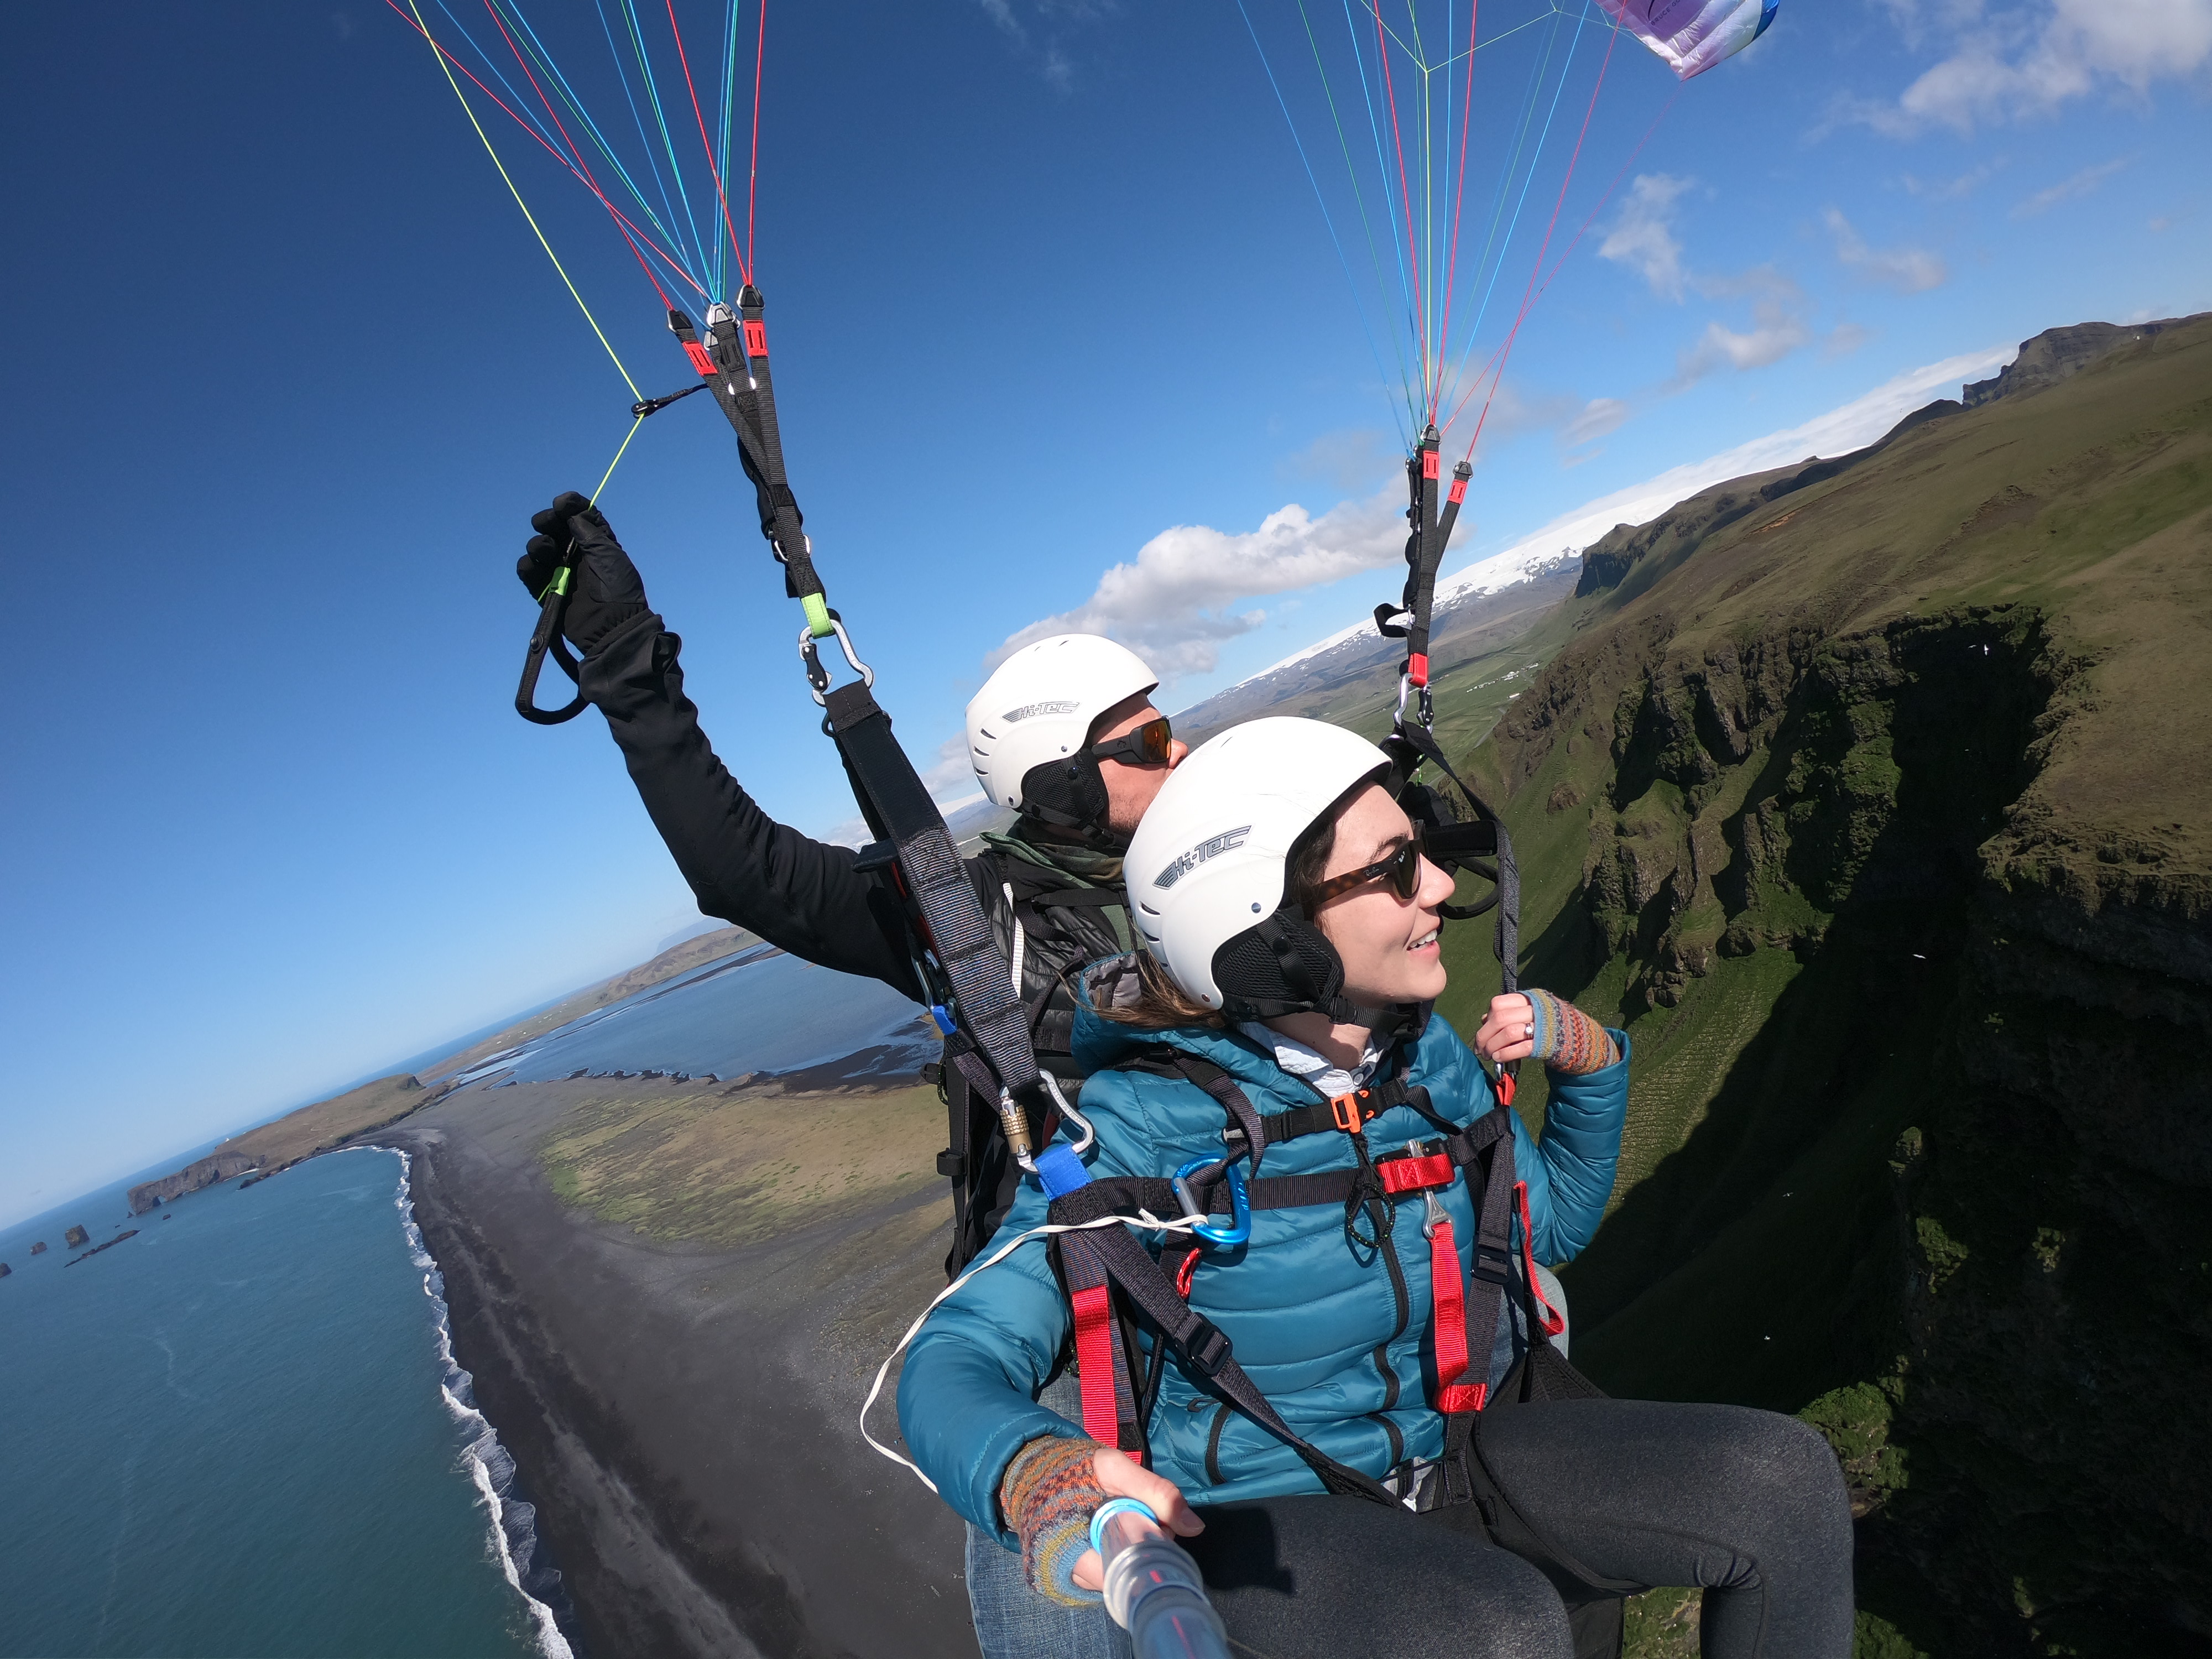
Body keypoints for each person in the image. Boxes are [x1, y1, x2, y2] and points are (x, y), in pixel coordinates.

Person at [896, 717, 1855, 1658]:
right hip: (1268, 1517)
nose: (1438, 885)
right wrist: (1033, 1473)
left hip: (1462, 1451)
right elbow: (957, 1356)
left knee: (1781, 1484)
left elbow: (1542, 1233)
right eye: (1395, 867)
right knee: (1494, 1632)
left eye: (1424, 853)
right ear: (1264, 923)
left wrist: (1597, 1070)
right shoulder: (1146, 1123)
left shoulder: (1424, 1059)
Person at [517, 493, 1188, 1270]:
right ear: (1062, 782)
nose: (1180, 750)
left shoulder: (1261, 841)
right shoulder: (974, 923)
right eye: (1151, 738)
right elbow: (746, 872)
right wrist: (623, 660)